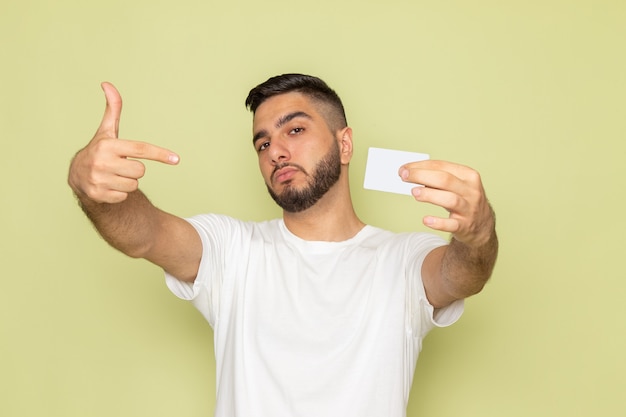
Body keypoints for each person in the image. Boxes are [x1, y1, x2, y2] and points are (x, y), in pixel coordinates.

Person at [68, 74, 498, 417]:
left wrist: (479, 232)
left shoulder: (402, 259)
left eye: (295, 129)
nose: (276, 151)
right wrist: (94, 189)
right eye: (263, 142)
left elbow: (461, 273)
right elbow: (145, 234)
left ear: (344, 143)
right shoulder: (233, 250)